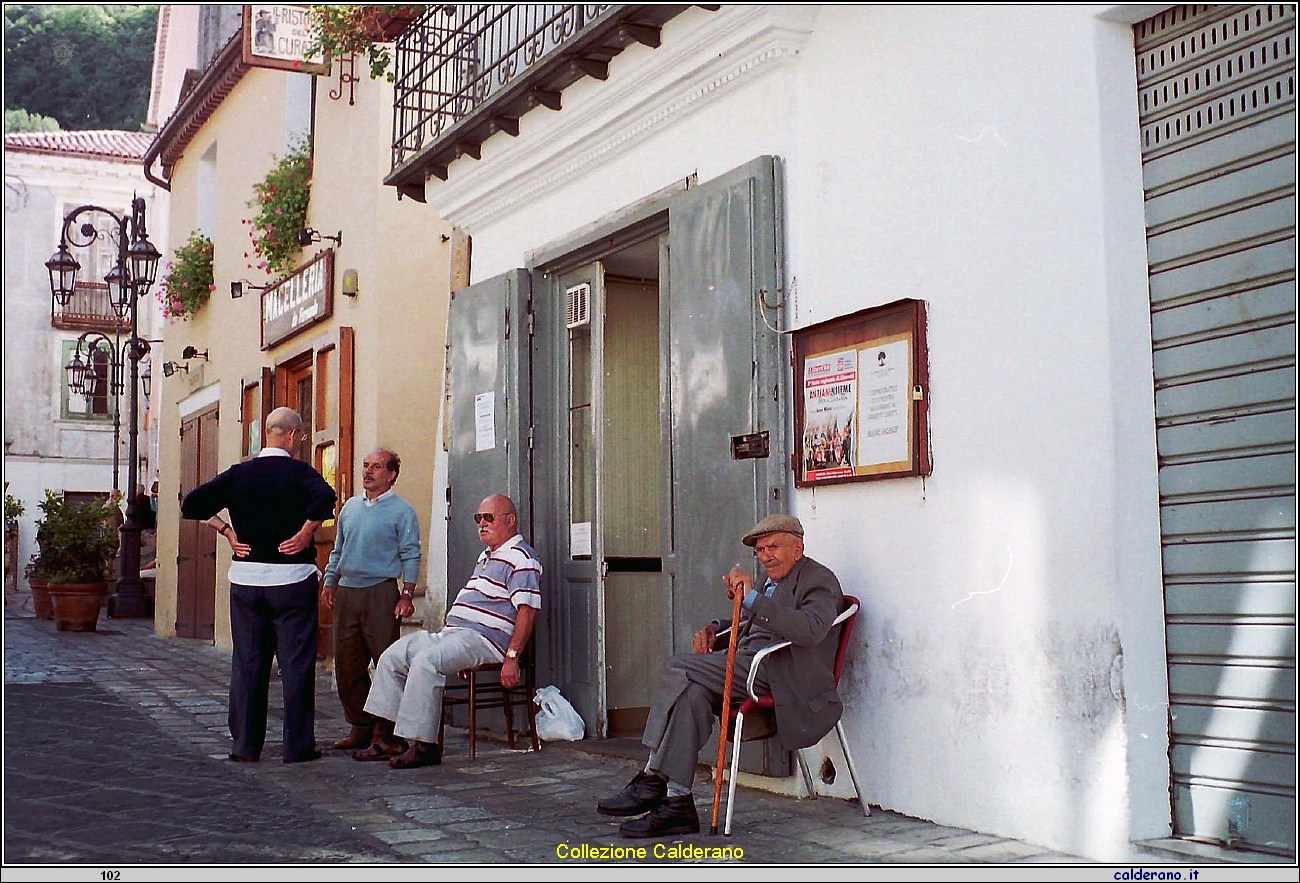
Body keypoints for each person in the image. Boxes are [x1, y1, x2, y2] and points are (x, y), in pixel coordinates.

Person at [596, 514, 844, 838]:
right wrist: (718, 629)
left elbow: (810, 630)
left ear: (798, 548)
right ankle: (677, 802)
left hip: (780, 675)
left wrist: (753, 597)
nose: (766, 556)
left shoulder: (818, 580)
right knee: (692, 694)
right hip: (749, 665)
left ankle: (652, 775)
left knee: (677, 666)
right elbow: (752, 624)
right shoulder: (773, 578)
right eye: (760, 550)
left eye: (774, 547)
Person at [181, 407, 337, 764]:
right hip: (292, 580)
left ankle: (245, 746)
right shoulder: (301, 474)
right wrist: (305, 532)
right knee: (296, 665)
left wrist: (228, 532)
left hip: (247, 581)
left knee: (249, 663)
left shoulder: (239, 474)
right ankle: (297, 747)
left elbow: (192, 504)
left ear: (267, 433)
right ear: (294, 435)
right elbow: (326, 499)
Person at [357, 494, 541, 769]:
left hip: (484, 640)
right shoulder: (486, 557)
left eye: (488, 517)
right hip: (454, 635)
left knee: (426, 662)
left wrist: (512, 657)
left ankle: (424, 746)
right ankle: (388, 738)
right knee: (393, 656)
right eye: (478, 518)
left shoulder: (521, 558)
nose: (481, 523)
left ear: (510, 520)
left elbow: (528, 610)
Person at [321, 449, 422, 752]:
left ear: (391, 475)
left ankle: (387, 734)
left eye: (377, 467)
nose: (368, 471)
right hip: (348, 593)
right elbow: (338, 549)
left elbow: (411, 553)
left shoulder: (402, 511)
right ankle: (360, 726)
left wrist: (407, 595)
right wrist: (330, 580)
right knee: (347, 667)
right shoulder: (350, 508)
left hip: (380, 592)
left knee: (386, 664)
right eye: (366, 465)